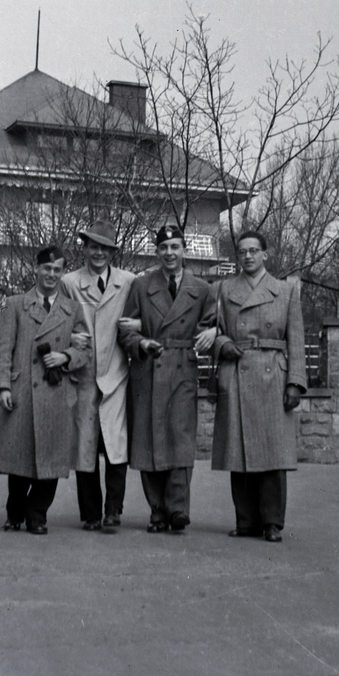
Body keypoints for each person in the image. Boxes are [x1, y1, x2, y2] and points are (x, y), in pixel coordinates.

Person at [205, 229, 306, 542]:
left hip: (273, 375)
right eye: (242, 251)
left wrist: (295, 383)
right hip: (236, 372)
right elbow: (206, 329)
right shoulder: (221, 289)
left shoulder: (285, 291)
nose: (247, 256)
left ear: (265, 254)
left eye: (253, 250)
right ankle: (246, 520)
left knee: (273, 453)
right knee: (239, 450)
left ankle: (272, 522)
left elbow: (297, 341)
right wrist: (222, 344)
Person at [0, 245, 92, 535]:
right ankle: (14, 513)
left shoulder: (72, 309)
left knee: (51, 459)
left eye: (57, 270)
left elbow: (86, 352)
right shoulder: (16, 304)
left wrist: (66, 357)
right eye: (46, 268)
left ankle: (37, 516)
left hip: (57, 392)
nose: (51, 274)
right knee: (20, 458)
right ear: (36, 269)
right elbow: (3, 349)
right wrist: (3, 387)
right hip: (23, 392)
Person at [119, 223, 215, 535]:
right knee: (148, 439)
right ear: (157, 251)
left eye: (175, 247)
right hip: (149, 368)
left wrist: (213, 331)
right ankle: (157, 512)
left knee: (180, 437)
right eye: (163, 248)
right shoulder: (141, 285)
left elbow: (214, 324)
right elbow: (125, 330)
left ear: (184, 250)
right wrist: (140, 344)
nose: (169, 254)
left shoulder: (201, 288)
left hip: (183, 369)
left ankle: (178, 510)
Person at [60, 224, 137, 532]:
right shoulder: (70, 282)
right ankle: (91, 513)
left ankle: (113, 510)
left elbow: (139, 317)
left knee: (116, 445)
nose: (99, 253)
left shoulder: (129, 282)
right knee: (85, 445)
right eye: (93, 246)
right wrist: (70, 342)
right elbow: (62, 319)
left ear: (113, 252)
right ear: (85, 248)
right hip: (84, 374)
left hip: (116, 372)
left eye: (105, 248)